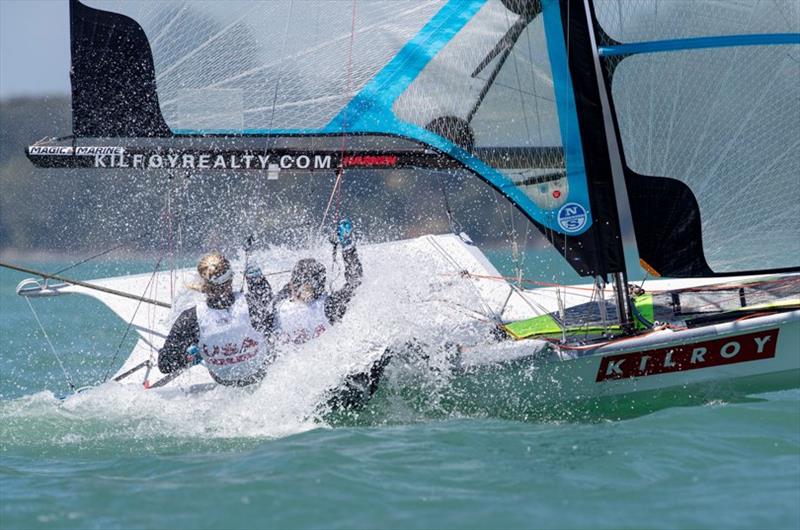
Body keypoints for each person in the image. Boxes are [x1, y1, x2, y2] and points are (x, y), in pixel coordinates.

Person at [157, 251, 275, 387]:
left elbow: (165, 364)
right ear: (231, 279)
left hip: (225, 383)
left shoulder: (191, 318)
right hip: (261, 375)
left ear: (203, 283)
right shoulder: (251, 304)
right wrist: (257, 280)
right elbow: (267, 303)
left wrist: (188, 357)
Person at [274, 219, 363, 344]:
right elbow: (355, 282)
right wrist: (348, 246)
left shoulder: (278, 307)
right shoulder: (329, 306)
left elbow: (264, 292)